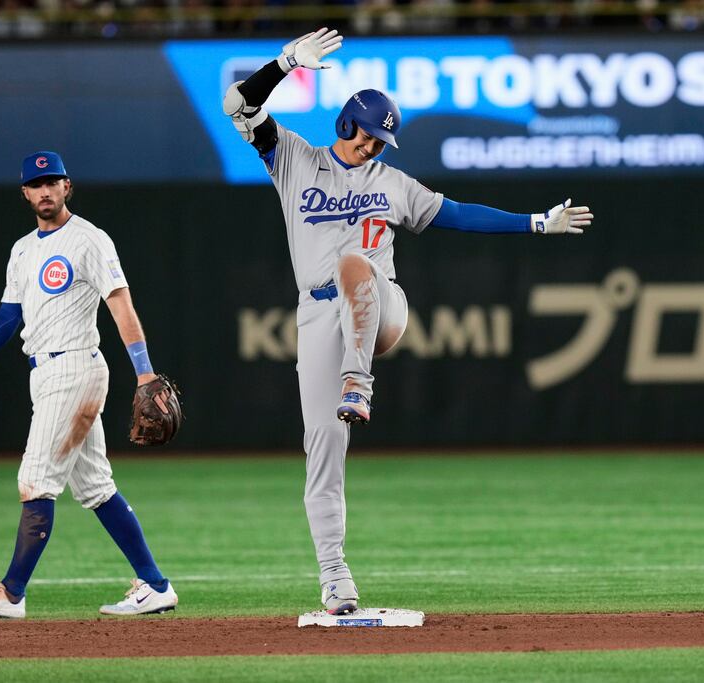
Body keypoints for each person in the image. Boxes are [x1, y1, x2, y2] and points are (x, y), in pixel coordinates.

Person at [223, 29, 593, 614]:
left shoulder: (392, 184)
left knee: (355, 262)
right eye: (370, 136)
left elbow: (459, 214)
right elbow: (238, 104)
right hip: (317, 314)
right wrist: (287, 62)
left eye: (382, 142)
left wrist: (535, 223)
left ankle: (359, 381)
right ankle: (335, 577)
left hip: (382, 308)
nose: (375, 149)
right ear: (347, 124)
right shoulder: (294, 159)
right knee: (321, 445)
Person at [0, 151, 178, 618]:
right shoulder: (23, 249)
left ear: (67, 186)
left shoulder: (89, 240)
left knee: (35, 481)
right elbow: (10, 313)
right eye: (37, 184)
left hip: (75, 368)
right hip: (46, 372)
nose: (46, 190)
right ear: (26, 193)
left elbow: (121, 306)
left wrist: (145, 371)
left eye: (54, 181)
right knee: (95, 488)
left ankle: (11, 593)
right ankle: (155, 586)